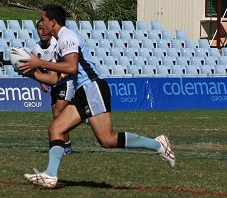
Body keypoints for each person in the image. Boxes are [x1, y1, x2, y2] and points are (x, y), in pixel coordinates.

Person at [20, 5, 175, 188]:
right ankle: (50, 175)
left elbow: (71, 67)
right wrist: (30, 72)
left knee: (107, 140)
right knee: (55, 129)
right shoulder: (58, 44)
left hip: (92, 88)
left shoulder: (66, 37)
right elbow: (54, 79)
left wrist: (40, 62)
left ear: (52, 22)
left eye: (43, 19)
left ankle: (157, 144)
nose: (41, 23)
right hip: (82, 91)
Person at [32, 20, 74, 154]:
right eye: (39, 28)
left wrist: (58, 78)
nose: (42, 31)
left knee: (58, 113)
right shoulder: (36, 48)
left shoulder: (57, 44)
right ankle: (84, 118)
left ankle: (66, 147)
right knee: (58, 116)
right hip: (55, 85)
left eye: (45, 28)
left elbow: (70, 65)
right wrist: (41, 81)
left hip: (66, 82)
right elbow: (38, 68)